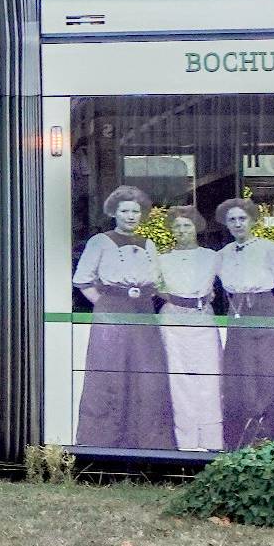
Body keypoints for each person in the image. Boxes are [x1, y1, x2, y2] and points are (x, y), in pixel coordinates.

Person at [72, 185, 173, 450]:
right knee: (110, 372)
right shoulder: (100, 242)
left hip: (143, 312)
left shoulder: (149, 244)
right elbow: (83, 282)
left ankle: (146, 440)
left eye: (135, 211)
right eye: (125, 210)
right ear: (114, 213)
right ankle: (103, 440)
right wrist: (106, 305)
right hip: (111, 311)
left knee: (146, 373)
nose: (130, 216)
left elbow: (158, 281)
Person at [214, 197, 274, 447]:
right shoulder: (222, 255)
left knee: (270, 375)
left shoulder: (270, 249)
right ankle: (243, 441)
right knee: (241, 377)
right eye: (232, 220)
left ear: (252, 220)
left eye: (242, 218)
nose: (237, 224)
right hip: (237, 316)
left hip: (267, 312)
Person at [154, 206, 225, 452]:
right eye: (177, 226)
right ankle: (186, 442)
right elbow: (154, 287)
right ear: (171, 230)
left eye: (187, 225)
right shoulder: (161, 260)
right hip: (174, 321)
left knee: (209, 376)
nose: (182, 230)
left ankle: (212, 440)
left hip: (203, 319)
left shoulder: (213, 257)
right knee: (179, 379)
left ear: (196, 227)